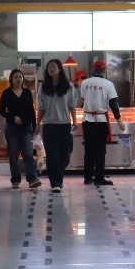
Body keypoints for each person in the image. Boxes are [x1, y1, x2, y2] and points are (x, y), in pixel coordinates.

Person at [78, 60, 121, 187]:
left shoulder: (85, 83)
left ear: (93, 69)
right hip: (101, 121)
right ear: (105, 70)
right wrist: (119, 120)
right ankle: (99, 178)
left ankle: (87, 177)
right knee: (100, 150)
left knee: (89, 150)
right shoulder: (108, 84)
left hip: (87, 120)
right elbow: (114, 103)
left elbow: (83, 100)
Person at [37, 58, 77, 193]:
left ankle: (57, 178)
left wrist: (75, 121)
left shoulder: (68, 86)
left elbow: (72, 105)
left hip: (65, 124)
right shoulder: (43, 87)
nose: (51, 69)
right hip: (49, 125)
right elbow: (40, 108)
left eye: (53, 66)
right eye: (49, 67)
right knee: (52, 155)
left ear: (60, 69)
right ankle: (55, 183)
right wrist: (37, 124)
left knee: (66, 155)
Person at [0, 68, 41, 189]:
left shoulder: (27, 93)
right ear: (11, 79)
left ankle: (32, 178)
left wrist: (35, 125)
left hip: (26, 128)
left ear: (23, 79)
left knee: (28, 153)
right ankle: (15, 179)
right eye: (16, 77)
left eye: (20, 77)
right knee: (13, 155)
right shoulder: (6, 93)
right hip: (12, 128)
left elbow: (31, 110)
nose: (18, 79)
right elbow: (1, 111)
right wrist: (12, 117)